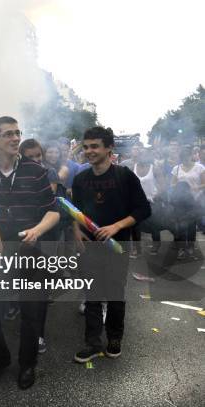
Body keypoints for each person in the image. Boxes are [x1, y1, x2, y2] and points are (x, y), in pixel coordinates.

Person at [0, 120, 59, 390]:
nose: (15, 138)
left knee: (32, 313)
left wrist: (38, 229)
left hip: (32, 251)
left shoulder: (35, 171)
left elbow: (54, 211)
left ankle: (28, 364)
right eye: (8, 134)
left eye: (17, 133)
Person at [72, 127, 151, 363]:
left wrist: (117, 226)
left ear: (109, 148)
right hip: (89, 247)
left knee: (115, 294)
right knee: (92, 295)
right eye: (86, 147)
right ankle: (93, 343)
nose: (89, 151)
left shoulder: (125, 176)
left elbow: (143, 209)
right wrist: (76, 232)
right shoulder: (80, 179)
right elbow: (75, 211)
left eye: (95, 146)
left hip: (118, 245)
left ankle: (114, 338)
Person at [170, 146, 205, 258]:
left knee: (191, 225)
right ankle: (181, 247)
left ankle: (190, 247)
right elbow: (172, 184)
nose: (185, 158)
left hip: (194, 201)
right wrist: (180, 187)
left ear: (191, 155)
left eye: (187, 156)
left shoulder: (199, 168)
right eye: (183, 156)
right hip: (180, 202)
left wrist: (195, 187)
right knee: (179, 225)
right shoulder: (176, 168)